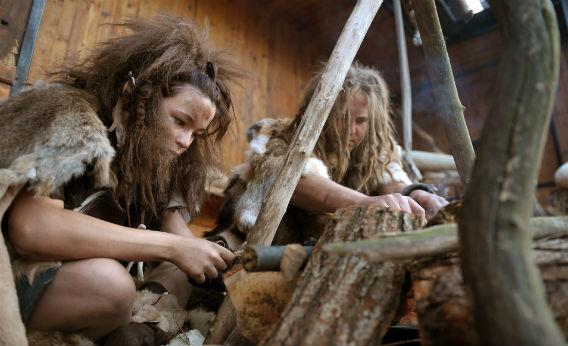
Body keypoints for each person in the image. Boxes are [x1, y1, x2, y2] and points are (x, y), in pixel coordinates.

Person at [0, 16, 237, 341]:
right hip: (16, 274)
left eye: (195, 133)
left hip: (63, 289)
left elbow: (174, 229)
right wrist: (172, 247)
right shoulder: (72, 117)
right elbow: (31, 227)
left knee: (176, 276)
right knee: (111, 286)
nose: (186, 142)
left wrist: (204, 255)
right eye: (180, 121)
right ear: (135, 95)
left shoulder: (145, 158)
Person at [213, 63, 448, 244]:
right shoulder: (281, 133)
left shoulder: (375, 149)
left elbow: (388, 178)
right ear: (323, 112)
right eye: (342, 118)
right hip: (262, 242)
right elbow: (292, 180)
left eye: (361, 121)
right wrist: (365, 202)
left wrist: (413, 194)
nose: (350, 131)